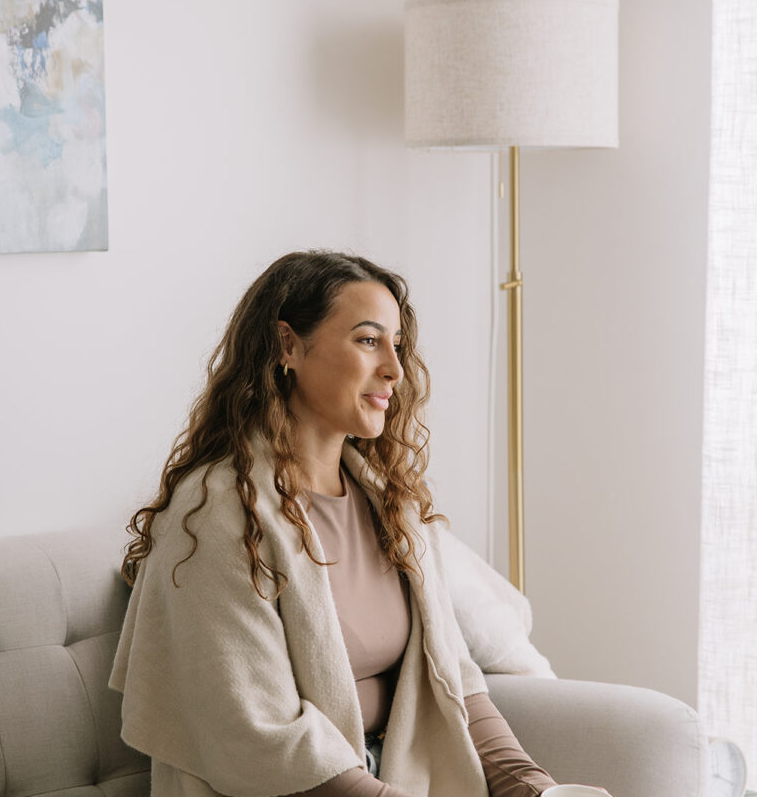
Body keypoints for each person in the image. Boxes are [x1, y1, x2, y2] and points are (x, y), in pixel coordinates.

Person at [109, 250, 561, 797]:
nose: (394, 368)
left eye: (397, 344)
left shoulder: (390, 503)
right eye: (369, 340)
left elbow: (452, 678)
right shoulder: (216, 515)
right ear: (288, 346)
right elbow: (260, 737)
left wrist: (531, 786)